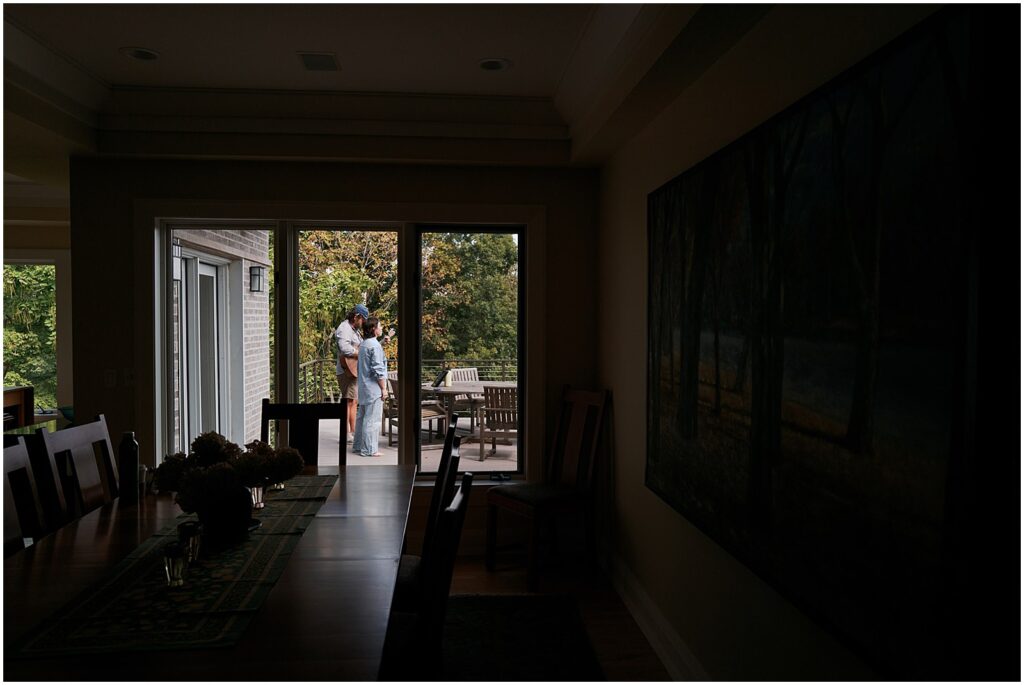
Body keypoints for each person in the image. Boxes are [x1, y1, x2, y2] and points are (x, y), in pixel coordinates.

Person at [352, 316, 388, 457]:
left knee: (362, 417)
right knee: (372, 419)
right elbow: (378, 370)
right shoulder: (374, 346)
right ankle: (369, 449)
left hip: (363, 387)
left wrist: (381, 343)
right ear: (373, 329)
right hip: (373, 388)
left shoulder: (364, 344)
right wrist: (384, 389)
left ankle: (359, 446)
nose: (381, 328)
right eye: (379, 326)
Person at [335, 304, 369, 442]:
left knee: (353, 401)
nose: (363, 323)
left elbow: (360, 346)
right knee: (348, 402)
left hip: (353, 370)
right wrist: (359, 353)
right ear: (356, 317)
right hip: (346, 370)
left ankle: (352, 432)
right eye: (362, 320)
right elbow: (344, 348)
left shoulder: (354, 330)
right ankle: (348, 433)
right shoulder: (344, 328)